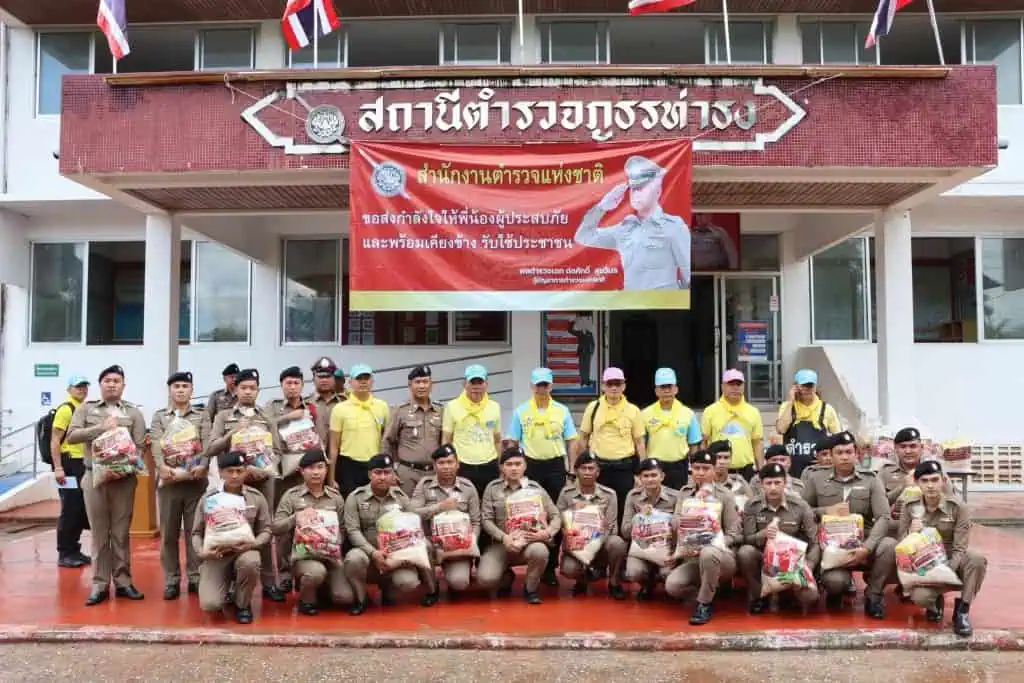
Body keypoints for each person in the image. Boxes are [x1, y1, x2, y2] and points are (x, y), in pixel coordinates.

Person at [65, 365, 147, 606]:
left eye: (117, 381)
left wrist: (129, 458)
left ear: (124, 385)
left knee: (121, 533)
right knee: (99, 534)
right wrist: (100, 429)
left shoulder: (133, 412)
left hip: (123, 479)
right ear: (100, 385)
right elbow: (72, 436)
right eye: (107, 380)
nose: (112, 384)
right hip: (95, 478)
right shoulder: (86, 409)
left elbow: (141, 444)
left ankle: (123, 582)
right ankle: (100, 584)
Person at [208, 368, 285, 603]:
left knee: (265, 528)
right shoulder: (223, 417)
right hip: (233, 485)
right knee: (231, 528)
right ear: (235, 389)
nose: (248, 392)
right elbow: (212, 448)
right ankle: (232, 585)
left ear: (258, 391)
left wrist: (263, 469)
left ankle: (270, 582)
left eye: (253, 388)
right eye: (244, 387)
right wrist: (233, 432)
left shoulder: (266, 417)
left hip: (262, 482)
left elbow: (278, 452)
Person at [801, 431, 895, 619]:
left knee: (889, 545)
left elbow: (884, 517)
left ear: (857, 454)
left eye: (849, 452)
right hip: (831, 545)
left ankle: (874, 594)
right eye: (839, 452)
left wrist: (867, 548)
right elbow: (802, 512)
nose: (844, 457)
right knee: (835, 582)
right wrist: (825, 511)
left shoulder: (871, 480)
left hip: (862, 541)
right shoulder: (816, 478)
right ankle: (835, 590)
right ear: (832, 455)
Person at [505, 367, 579, 584]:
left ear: (551, 386)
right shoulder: (521, 411)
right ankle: (530, 556)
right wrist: (513, 469)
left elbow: (572, 440)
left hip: (556, 466)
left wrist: (571, 469)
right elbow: (512, 441)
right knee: (530, 514)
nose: (542, 389)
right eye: (538, 385)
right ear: (532, 386)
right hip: (531, 466)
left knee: (555, 514)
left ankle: (550, 567)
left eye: (545, 385)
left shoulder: (562, 410)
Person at [575, 155, 690, 291]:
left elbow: (687, 276)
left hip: (663, 306)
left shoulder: (673, 226)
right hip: (631, 306)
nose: (636, 193)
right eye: (633, 188)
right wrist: (602, 207)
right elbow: (583, 236)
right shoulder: (624, 229)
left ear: (658, 191)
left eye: (642, 187)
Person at [900, 460, 987, 637]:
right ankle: (934, 602)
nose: (930, 485)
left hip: (950, 558)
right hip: (924, 562)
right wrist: (910, 533)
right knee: (920, 598)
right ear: (917, 483)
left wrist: (945, 572)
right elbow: (900, 544)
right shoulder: (909, 507)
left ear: (943, 481)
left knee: (976, 559)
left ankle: (962, 610)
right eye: (925, 481)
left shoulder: (958, 507)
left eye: (934, 480)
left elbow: (960, 547)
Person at [343, 453, 433, 615]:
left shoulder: (400, 497)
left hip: (395, 557)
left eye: (387, 472)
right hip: (369, 555)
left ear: (393, 474)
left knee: (408, 582)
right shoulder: (355, 498)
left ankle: (389, 589)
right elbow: (352, 530)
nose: (383, 477)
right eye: (378, 472)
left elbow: (415, 518)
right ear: (370, 474)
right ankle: (361, 599)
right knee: (353, 558)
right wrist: (373, 552)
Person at [150, 371, 211, 600]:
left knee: (195, 532)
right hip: (170, 483)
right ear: (170, 390)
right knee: (168, 534)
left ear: (191, 390)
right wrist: (162, 468)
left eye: (185, 386)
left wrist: (202, 464)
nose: (181, 390)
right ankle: (172, 579)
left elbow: (207, 441)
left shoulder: (202, 415)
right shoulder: (160, 416)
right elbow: (156, 443)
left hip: (195, 482)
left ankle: (196, 577)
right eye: (176, 386)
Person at [192, 450, 271, 624]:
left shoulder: (256, 498)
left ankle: (243, 604)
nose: (235, 476)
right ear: (220, 472)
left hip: (244, 552)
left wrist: (252, 544)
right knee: (210, 604)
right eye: (230, 471)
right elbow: (196, 533)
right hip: (217, 555)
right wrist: (203, 553)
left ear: (246, 471)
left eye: (239, 471)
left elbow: (266, 530)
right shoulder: (209, 499)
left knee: (251, 562)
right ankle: (214, 577)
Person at [272, 448, 353, 616]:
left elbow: (343, 529)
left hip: (330, 556)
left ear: (326, 470)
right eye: (310, 468)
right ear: (302, 471)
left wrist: (328, 539)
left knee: (344, 598)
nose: (316, 472)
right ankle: (306, 600)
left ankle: (322, 588)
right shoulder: (291, 496)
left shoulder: (335, 498)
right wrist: (296, 517)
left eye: (320, 467)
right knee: (315, 573)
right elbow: (276, 527)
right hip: (303, 556)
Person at [665, 450, 741, 626]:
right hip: (692, 556)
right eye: (696, 468)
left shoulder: (725, 495)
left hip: (721, 556)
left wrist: (715, 540)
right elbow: (675, 523)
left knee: (708, 552)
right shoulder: (684, 494)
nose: (700, 472)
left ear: (714, 469)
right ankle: (710, 590)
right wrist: (693, 509)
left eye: (705, 468)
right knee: (673, 586)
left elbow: (734, 533)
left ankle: (704, 604)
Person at [478, 447, 561, 605]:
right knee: (486, 579)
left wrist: (547, 533)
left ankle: (530, 589)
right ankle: (506, 577)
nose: (514, 468)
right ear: (502, 467)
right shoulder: (493, 488)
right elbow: (486, 520)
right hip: (501, 544)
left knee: (540, 550)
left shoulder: (535, 489)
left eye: (518, 464)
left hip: (530, 542)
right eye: (509, 464)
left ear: (525, 466)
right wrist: (504, 538)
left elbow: (556, 516)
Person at [265, 365, 321, 591]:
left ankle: (307, 568)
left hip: (308, 473)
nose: (292, 387)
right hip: (283, 473)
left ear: (302, 385)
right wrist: (289, 417)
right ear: (281, 385)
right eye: (288, 383)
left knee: (311, 521)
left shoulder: (312, 408)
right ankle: (285, 573)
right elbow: (264, 427)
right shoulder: (272, 407)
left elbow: (321, 438)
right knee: (285, 525)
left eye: (296, 383)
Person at [738, 462, 820, 614]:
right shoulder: (752, 505)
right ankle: (759, 597)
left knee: (810, 597)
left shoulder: (800, 506)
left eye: (777, 482)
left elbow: (815, 541)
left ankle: (789, 593)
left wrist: (809, 565)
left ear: (785, 483)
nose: (773, 487)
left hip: (792, 560)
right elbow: (747, 539)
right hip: (765, 558)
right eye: (768, 483)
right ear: (761, 484)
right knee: (745, 552)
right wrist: (763, 535)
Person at [409, 443, 481, 603]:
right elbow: (412, 512)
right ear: (434, 466)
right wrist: (439, 507)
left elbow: (476, 521)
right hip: (432, 545)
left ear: (458, 464)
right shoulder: (425, 485)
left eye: (450, 462)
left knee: (459, 583)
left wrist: (470, 541)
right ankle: (431, 588)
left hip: (458, 547)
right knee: (422, 544)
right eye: (441, 463)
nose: (446, 467)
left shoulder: (468, 488)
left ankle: (456, 574)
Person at [556, 451, 627, 599]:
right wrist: (572, 535)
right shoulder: (566, 494)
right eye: (583, 468)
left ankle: (614, 582)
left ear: (598, 472)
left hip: (601, 546)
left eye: (591, 468)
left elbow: (611, 525)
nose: (587, 472)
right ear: (576, 471)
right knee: (569, 569)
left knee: (618, 543)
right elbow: (559, 521)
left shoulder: (609, 494)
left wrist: (594, 541)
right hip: (576, 546)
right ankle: (582, 580)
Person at [579, 367, 646, 522]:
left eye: (618, 383)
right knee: (597, 506)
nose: (614, 388)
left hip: (624, 467)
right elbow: (583, 438)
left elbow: (640, 442)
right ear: (603, 386)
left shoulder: (633, 410)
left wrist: (642, 471)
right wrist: (580, 466)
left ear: (624, 386)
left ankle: (620, 542)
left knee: (624, 508)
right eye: (610, 384)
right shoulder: (593, 407)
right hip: (598, 467)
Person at [620, 457, 679, 600]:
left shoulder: (675, 497)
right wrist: (640, 518)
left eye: (654, 475)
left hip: (667, 550)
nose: (650, 479)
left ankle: (666, 582)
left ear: (662, 476)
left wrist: (676, 554)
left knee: (668, 575)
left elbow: (682, 529)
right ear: (639, 478)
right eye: (646, 476)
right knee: (633, 572)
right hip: (642, 550)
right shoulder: (633, 497)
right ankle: (647, 584)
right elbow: (625, 531)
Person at [328, 364, 390, 496]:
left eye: (366, 378)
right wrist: (331, 477)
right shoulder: (340, 409)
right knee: (350, 505)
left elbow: (388, 440)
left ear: (372, 381)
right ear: (350, 382)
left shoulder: (382, 406)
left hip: (375, 465)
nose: (363, 382)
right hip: (348, 466)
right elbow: (334, 446)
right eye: (359, 378)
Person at [50, 375, 92, 569]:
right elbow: (55, 440)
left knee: (80, 508)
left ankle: (74, 550)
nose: (82, 390)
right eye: (78, 387)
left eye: (84, 387)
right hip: (67, 465)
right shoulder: (66, 409)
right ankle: (64, 553)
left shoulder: (83, 409)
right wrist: (58, 467)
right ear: (69, 389)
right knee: (69, 508)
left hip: (81, 464)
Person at [442, 364, 501, 500]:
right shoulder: (452, 406)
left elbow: (497, 440)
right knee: (462, 505)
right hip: (462, 466)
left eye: (480, 382)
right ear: (464, 384)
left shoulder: (495, 407)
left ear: (486, 384)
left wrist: (500, 466)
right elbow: (446, 440)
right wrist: (449, 466)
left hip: (489, 465)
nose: (476, 386)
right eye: (472, 382)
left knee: (489, 506)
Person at [384, 365, 443, 496]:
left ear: (431, 385)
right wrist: (390, 471)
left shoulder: (441, 411)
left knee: (432, 511)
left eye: (425, 382)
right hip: (407, 474)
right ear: (410, 385)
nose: (422, 386)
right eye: (417, 382)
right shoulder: (399, 411)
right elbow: (387, 442)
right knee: (406, 513)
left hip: (433, 474)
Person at [641, 367, 701, 490]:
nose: (666, 390)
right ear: (656, 391)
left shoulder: (688, 413)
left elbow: (694, 445)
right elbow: (641, 443)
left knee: (678, 501)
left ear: (676, 389)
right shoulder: (645, 414)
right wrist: (643, 467)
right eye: (662, 387)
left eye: (669, 386)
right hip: (654, 467)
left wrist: (695, 469)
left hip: (679, 467)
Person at [775, 369, 841, 478]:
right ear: (795, 387)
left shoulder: (827, 409)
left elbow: (837, 439)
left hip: (819, 471)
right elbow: (781, 429)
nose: (807, 389)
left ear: (815, 387)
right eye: (803, 386)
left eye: (810, 386)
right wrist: (791, 401)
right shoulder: (787, 407)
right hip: (792, 469)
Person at [701, 369, 764, 481]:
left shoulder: (753, 412)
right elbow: (704, 442)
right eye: (731, 384)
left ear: (744, 387)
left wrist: (761, 470)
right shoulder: (710, 411)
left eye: (738, 384)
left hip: (746, 471)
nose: (735, 388)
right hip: (718, 471)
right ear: (722, 387)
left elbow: (757, 443)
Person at [307, 357, 346, 445]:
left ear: (334, 379)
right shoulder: (304, 404)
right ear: (313, 379)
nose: (324, 380)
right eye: (320, 377)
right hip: (314, 456)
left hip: (342, 455)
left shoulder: (346, 403)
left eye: (328, 376)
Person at [709, 440, 754, 505]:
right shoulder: (703, 484)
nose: (722, 462)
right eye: (718, 457)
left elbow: (752, 508)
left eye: (726, 458)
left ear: (731, 459)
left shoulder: (740, 484)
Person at [569, 313, 596, 387]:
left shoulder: (590, 334)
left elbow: (593, 343)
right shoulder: (579, 333)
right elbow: (570, 331)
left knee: (587, 367)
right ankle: (582, 381)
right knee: (581, 367)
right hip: (581, 352)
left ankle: (586, 381)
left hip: (587, 352)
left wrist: (592, 351)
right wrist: (573, 321)